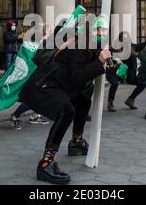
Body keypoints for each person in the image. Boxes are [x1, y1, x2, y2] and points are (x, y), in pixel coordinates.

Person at [18, 16, 110, 185]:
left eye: (105, 30)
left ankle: (76, 142)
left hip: (60, 85)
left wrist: (110, 64)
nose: (103, 33)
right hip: (44, 85)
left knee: (83, 101)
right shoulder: (76, 45)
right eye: (99, 30)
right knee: (66, 111)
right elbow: (78, 77)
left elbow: (87, 70)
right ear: (88, 31)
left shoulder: (91, 46)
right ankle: (46, 164)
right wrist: (99, 61)